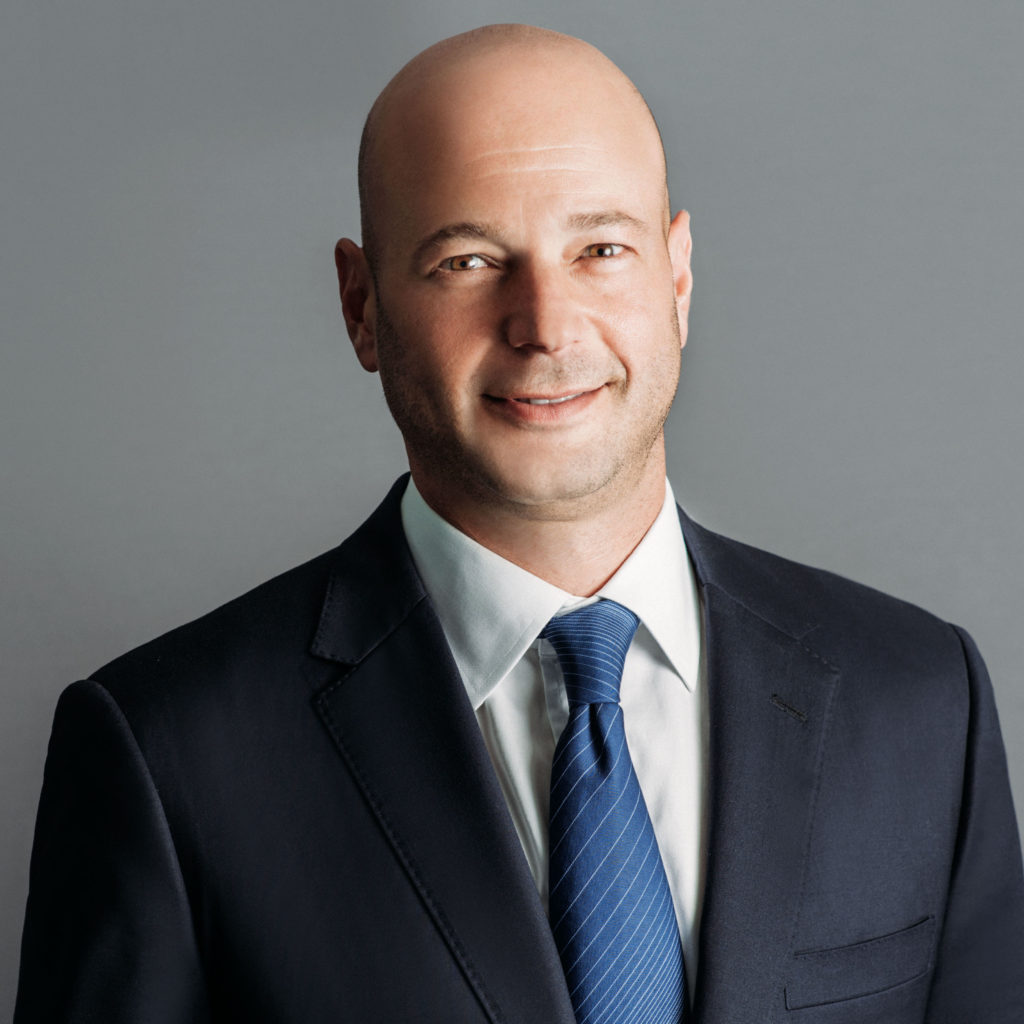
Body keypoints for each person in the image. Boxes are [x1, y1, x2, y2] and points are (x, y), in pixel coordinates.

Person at [14, 23, 1024, 1024]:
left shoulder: (921, 701)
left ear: (676, 277)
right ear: (362, 306)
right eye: (466, 261)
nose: (544, 322)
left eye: (599, 248)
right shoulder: (166, 749)